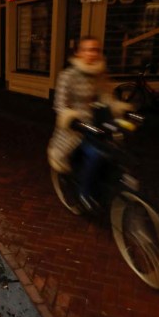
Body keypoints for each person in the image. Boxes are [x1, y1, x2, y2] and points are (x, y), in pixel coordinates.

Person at [47, 36, 132, 211]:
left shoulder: (100, 74)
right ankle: (83, 194)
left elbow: (107, 97)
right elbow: (60, 105)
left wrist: (121, 111)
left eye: (96, 50)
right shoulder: (67, 76)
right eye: (87, 49)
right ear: (79, 53)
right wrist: (72, 119)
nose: (92, 54)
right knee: (95, 154)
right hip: (75, 129)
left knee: (116, 150)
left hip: (97, 124)